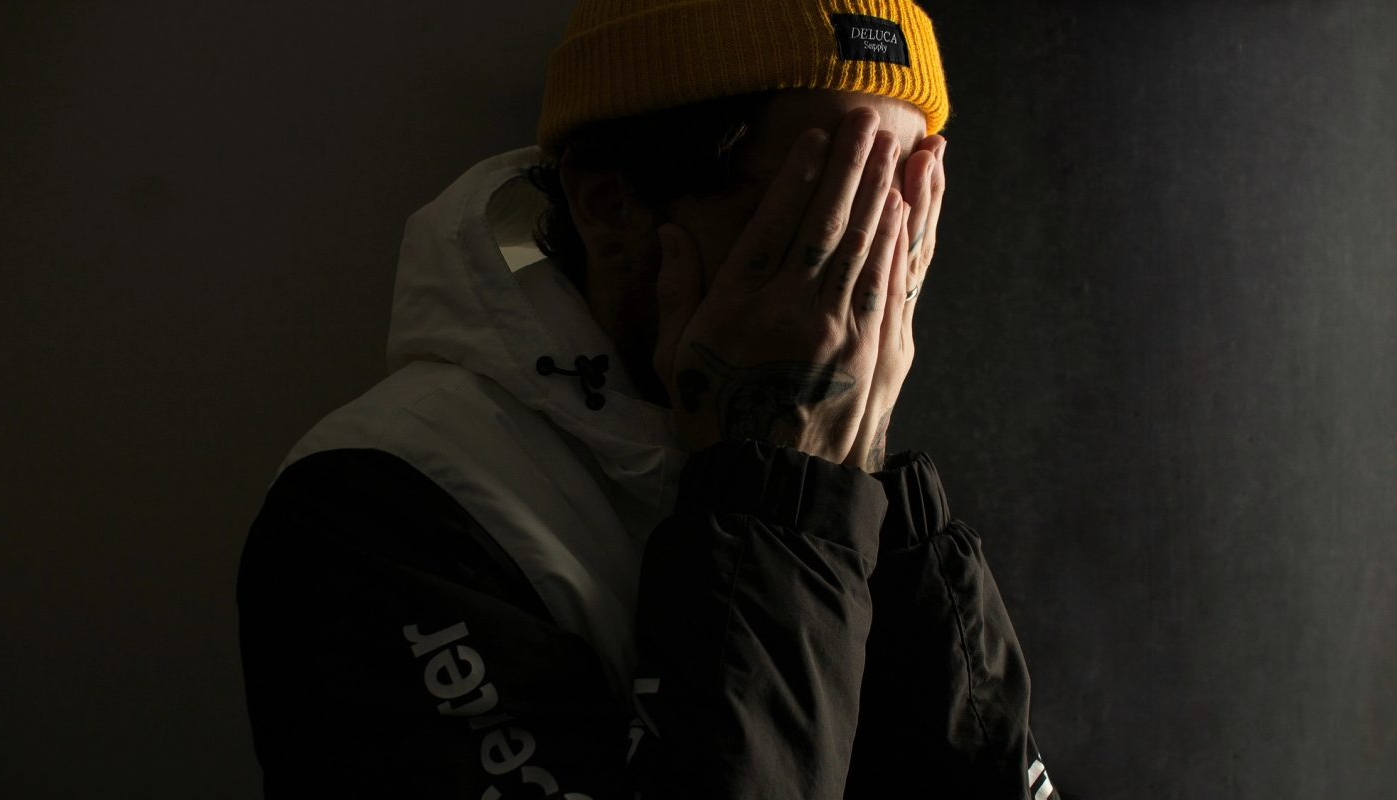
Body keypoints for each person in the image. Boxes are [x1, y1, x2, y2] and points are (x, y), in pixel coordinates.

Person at [237, 1, 1060, 798]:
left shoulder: (864, 490)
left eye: (903, 204)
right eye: (829, 205)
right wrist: (781, 491)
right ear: (610, 207)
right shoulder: (374, 509)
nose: (873, 269)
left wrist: (867, 488)